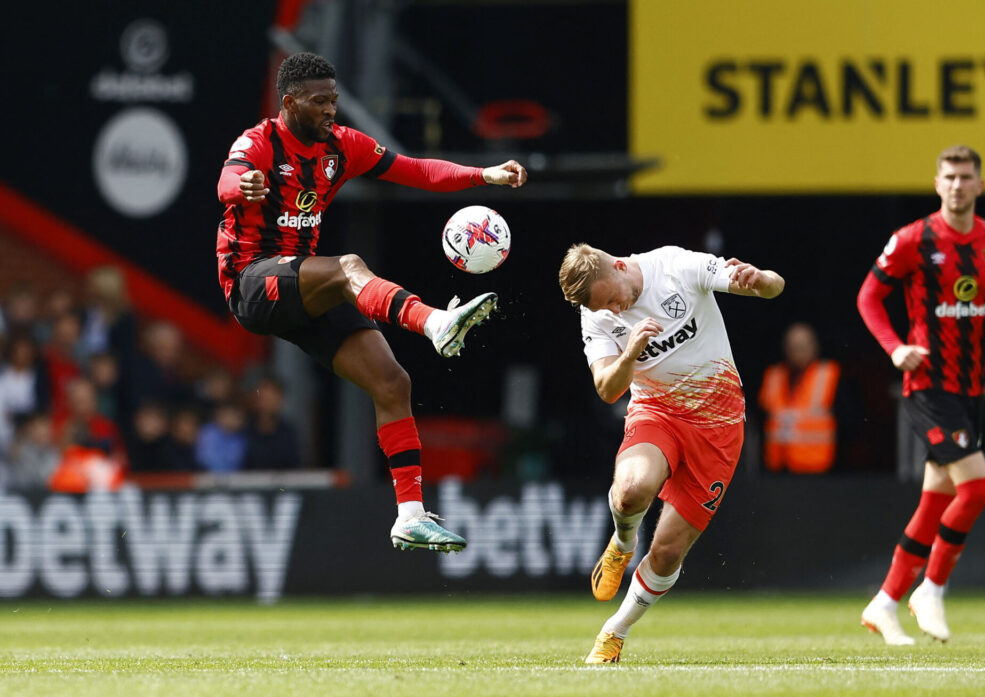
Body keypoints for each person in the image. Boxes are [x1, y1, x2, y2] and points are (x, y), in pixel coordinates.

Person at [216, 52, 526, 553]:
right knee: (347, 267)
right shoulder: (259, 142)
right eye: (319, 102)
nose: (330, 110)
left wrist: (483, 176)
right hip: (250, 281)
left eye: (333, 100)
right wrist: (244, 185)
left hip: (301, 286)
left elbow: (417, 170)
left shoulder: (343, 147)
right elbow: (228, 180)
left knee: (392, 381)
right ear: (290, 102)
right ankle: (435, 323)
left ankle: (409, 514)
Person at [558, 243, 784, 664]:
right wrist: (630, 351)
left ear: (621, 266)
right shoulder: (596, 313)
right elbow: (608, 389)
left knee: (666, 552)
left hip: (718, 424)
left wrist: (762, 279)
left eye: (612, 299)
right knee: (631, 490)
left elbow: (774, 287)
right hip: (656, 411)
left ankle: (615, 630)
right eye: (602, 307)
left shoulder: (677, 266)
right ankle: (623, 542)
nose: (612, 310)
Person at [857, 145, 985, 645]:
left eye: (966, 177)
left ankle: (884, 603)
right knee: (978, 489)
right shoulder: (914, 239)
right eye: (949, 177)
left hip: (968, 386)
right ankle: (932, 587)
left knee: (935, 502)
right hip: (927, 385)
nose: (957, 185)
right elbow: (869, 296)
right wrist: (895, 347)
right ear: (937, 184)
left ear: (980, 186)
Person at [758, 321, 840, 474]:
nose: (798, 352)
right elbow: (762, 414)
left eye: (802, 346)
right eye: (793, 347)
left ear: (814, 347)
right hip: (777, 467)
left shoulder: (828, 374)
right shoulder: (774, 375)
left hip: (817, 467)